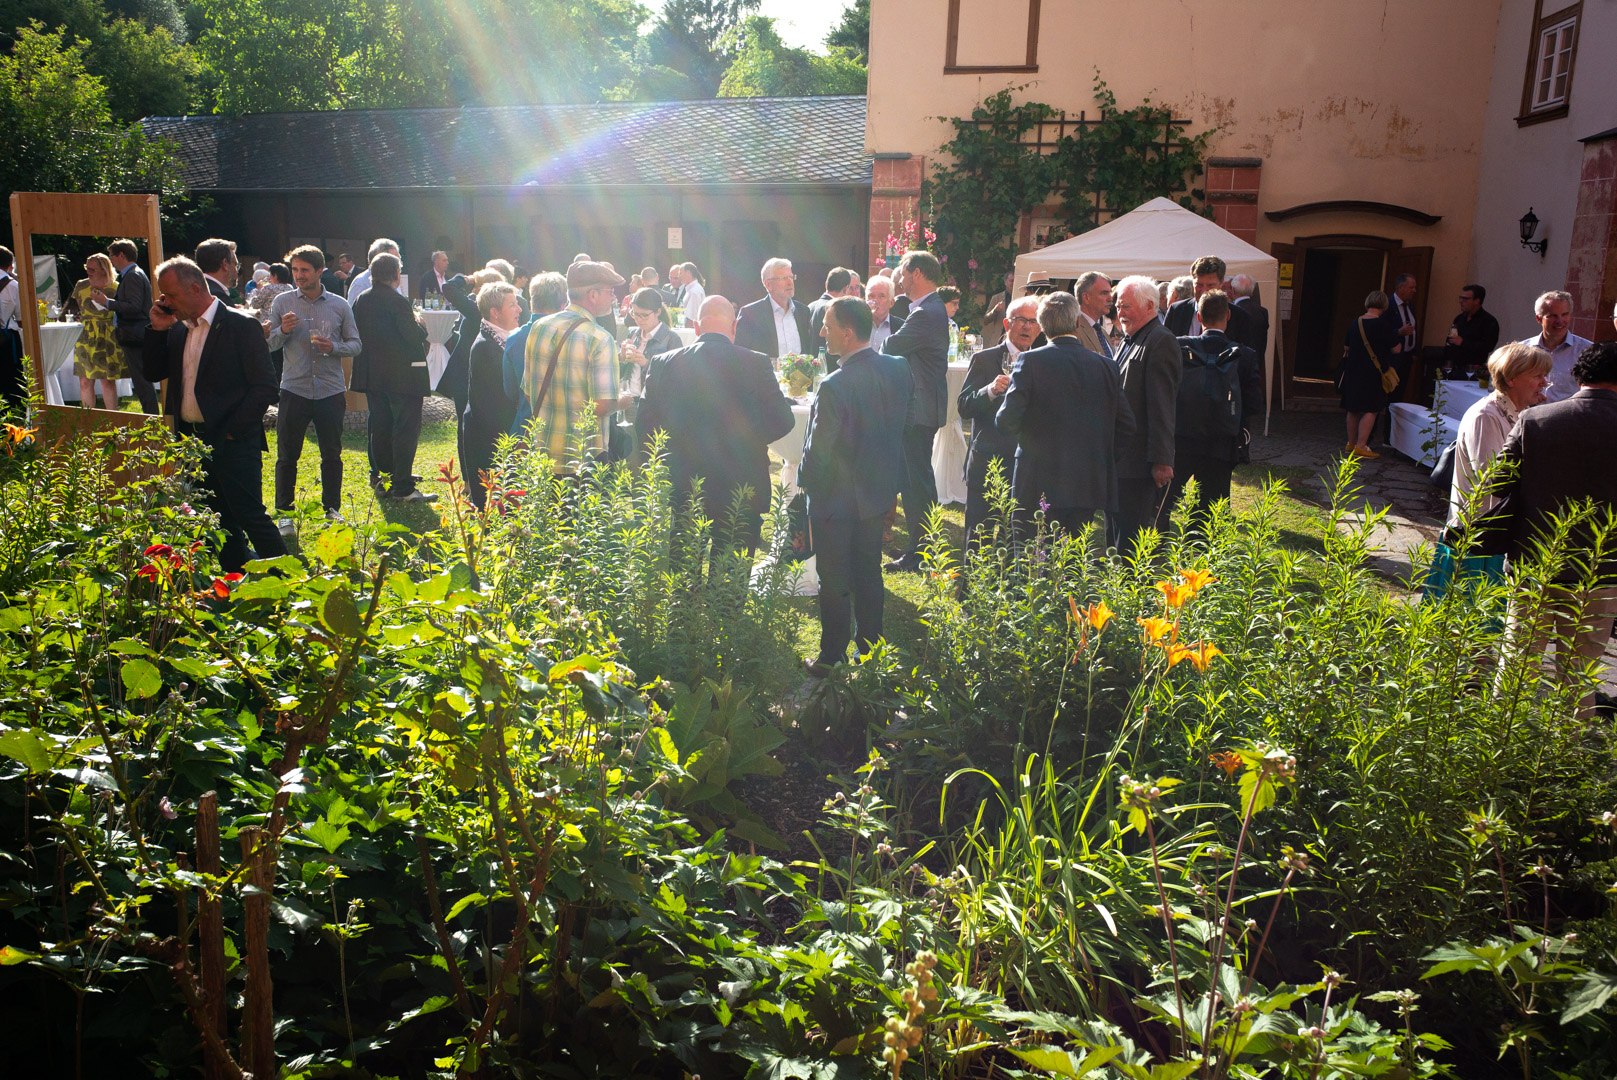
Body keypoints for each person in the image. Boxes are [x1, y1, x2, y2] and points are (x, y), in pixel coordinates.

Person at [1490, 340, 1617, 715]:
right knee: (1579, 672)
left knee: (1517, 661)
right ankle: (1567, 753)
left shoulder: (1535, 420)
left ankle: (1498, 745)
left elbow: (1498, 483)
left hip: (1535, 560)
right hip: (1600, 568)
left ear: (1578, 376)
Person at [141, 256, 286, 573]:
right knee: (213, 517)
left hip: (233, 439)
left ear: (195, 288)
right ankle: (235, 576)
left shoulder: (240, 325)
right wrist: (156, 329)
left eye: (171, 295)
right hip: (192, 440)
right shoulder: (178, 329)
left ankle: (288, 581)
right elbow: (152, 372)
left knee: (249, 514)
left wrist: (233, 430)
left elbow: (265, 386)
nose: (165, 302)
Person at [800, 297, 912, 677]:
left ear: (847, 334)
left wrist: (807, 493)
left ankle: (832, 656)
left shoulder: (835, 384)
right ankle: (871, 649)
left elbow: (819, 452)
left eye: (827, 326)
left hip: (837, 499)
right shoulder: (899, 368)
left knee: (834, 580)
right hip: (877, 490)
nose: (821, 332)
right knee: (869, 572)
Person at [637, 295, 793, 558]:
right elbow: (783, 420)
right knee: (731, 576)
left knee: (685, 572)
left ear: (697, 328)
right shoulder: (755, 362)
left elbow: (645, 423)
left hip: (685, 478)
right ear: (733, 328)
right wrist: (748, 440)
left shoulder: (664, 363)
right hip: (740, 478)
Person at [995, 291, 1133, 543]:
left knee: (1030, 559)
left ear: (1042, 325)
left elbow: (1006, 420)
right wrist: (1099, 457)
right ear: (1078, 323)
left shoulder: (1030, 362)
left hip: (1037, 478)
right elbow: (1126, 426)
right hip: (1086, 480)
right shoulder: (1105, 366)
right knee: (1071, 564)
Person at [266, 245, 362, 521]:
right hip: (294, 388)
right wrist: (282, 330)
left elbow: (355, 344)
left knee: (332, 454)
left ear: (320, 271)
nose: (298, 275)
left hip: (329, 390)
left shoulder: (339, 305)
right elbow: (270, 344)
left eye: (304, 270)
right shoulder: (282, 303)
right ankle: (284, 512)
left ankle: (331, 509)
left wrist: (332, 347)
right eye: (295, 270)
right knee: (287, 455)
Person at [879, 250, 950, 571]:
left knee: (915, 483)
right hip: (923, 406)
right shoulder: (931, 309)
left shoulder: (925, 313)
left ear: (917, 273)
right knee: (917, 480)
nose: (899, 279)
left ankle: (920, 552)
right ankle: (925, 548)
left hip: (918, 410)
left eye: (903, 273)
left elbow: (890, 346)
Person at [1168, 290, 1264, 518]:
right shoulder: (1245, 355)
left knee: (1165, 500)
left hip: (1181, 436)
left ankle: (1156, 545)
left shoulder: (1178, 347)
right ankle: (1203, 550)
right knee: (1212, 507)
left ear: (1198, 317)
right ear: (1228, 315)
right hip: (1222, 441)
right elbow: (1254, 404)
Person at [522, 261, 623, 472]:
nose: (613, 298)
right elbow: (603, 405)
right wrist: (626, 401)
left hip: (542, 452)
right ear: (593, 295)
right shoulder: (600, 338)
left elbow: (529, 393)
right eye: (610, 292)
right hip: (582, 457)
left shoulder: (539, 327)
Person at [957, 294, 1040, 547]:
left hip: (1023, 462)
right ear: (1007, 324)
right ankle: (971, 587)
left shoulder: (1040, 362)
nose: (1027, 326)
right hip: (988, 459)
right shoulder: (984, 359)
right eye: (1021, 320)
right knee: (979, 534)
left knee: (1014, 536)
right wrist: (990, 391)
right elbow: (964, 406)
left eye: (1033, 321)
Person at [351, 253, 433, 503]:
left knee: (381, 427)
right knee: (406, 429)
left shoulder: (361, 300)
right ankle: (403, 487)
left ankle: (388, 478)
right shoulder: (397, 301)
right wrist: (419, 322)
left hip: (373, 374)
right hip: (402, 376)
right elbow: (412, 335)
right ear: (396, 274)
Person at [1111, 275, 1181, 550]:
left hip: (1139, 464)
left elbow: (1163, 405)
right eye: (1117, 305)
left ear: (1150, 306)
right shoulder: (1133, 338)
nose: (1119, 312)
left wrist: (1162, 460)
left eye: (1126, 306)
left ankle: (1126, 590)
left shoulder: (1160, 341)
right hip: (1121, 459)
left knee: (1130, 540)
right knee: (1116, 536)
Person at [1447, 342, 1550, 529]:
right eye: (1537, 376)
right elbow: (1492, 478)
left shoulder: (1522, 412)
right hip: (1479, 533)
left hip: (1501, 528)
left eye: (1544, 375)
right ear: (1511, 379)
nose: (1544, 382)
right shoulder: (1486, 416)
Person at [460, 281, 524, 510]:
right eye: (512, 305)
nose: (519, 310)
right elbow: (492, 405)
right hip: (489, 440)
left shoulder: (502, 339)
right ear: (495, 313)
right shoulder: (486, 347)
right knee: (492, 508)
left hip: (496, 435)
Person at [1338, 290, 1401, 459]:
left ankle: (1350, 443)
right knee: (1371, 409)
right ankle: (1361, 445)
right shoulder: (1383, 325)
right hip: (1373, 373)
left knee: (1352, 409)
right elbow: (1396, 348)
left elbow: (1347, 347)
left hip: (1353, 370)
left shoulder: (1355, 322)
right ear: (1384, 305)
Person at [504, 271, 568, 433]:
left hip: (526, 425)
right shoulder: (572, 337)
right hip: (563, 429)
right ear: (563, 305)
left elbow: (510, 390)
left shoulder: (514, 338)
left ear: (532, 300)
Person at [107, 239, 159, 413]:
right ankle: (151, 418)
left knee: (142, 381)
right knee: (141, 380)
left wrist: (107, 303)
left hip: (135, 333)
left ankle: (152, 421)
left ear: (122, 255)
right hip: (133, 333)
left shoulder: (133, 275)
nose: (111, 260)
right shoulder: (132, 274)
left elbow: (134, 306)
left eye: (112, 256)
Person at [64, 254, 122, 411]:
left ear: (104, 269)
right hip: (86, 336)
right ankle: (87, 421)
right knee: (85, 380)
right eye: (86, 267)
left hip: (108, 335)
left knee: (107, 381)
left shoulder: (116, 286)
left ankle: (114, 419)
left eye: (92, 268)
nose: (88, 271)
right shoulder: (81, 285)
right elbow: (77, 308)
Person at [1165, 256, 1255, 347]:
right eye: (1199, 285)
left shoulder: (1240, 317)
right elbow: (1165, 349)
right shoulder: (1176, 311)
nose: (1204, 290)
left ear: (1221, 283)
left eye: (1210, 285)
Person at [1521, 290, 1592, 404]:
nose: (1560, 321)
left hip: (1569, 418)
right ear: (1539, 319)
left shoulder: (1587, 351)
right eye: (1552, 316)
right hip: (1529, 417)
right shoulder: (1522, 351)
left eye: (1564, 314)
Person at [735, 258, 813, 360]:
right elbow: (741, 354)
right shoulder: (750, 313)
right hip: (764, 375)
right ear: (768, 284)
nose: (790, 282)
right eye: (784, 278)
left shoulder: (803, 312)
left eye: (791, 277)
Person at [1441, 283, 1499, 380]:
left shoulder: (1489, 322)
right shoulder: (1459, 319)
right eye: (1460, 298)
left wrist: (1463, 342)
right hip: (1452, 369)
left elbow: (1488, 347)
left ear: (1477, 301)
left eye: (1465, 299)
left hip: (1473, 372)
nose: (1461, 301)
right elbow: (1450, 342)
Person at [809, 266, 859, 369]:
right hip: (830, 369)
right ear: (845, 289)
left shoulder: (810, 306)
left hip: (811, 368)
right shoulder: (835, 309)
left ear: (826, 284)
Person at [1378, 272, 1420, 391]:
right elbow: (1381, 332)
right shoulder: (1387, 305)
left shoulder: (1410, 306)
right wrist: (1398, 332)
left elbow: (1414, 329)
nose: (1414, 290)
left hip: (1407, 358)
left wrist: (1413, 352)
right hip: (1392, 358)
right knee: (1390, 391)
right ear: (1400, 287)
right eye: (1411, 287)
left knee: (1401, 391)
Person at [1226, 274, 1270, 358]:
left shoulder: (1231, 311)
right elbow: (1262, 343)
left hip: (1235, 364)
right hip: (1256, 362)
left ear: (1233, 290)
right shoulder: (1263, 311)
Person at [1073, 271, 1114, 359]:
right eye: (1104, 293)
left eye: (1110, 292)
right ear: (1086, 297)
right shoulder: (1073, 329)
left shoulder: (1102, 331)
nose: (1110, 298)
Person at [347, 238, 399, 303]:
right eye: (393, 259)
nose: (398, 263)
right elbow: (353, 311)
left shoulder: (394, 280)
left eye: (398, 259)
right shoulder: (360, 283)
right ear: (379, 260)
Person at [195, 239, 241, 304]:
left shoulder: (195, 289)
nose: (237, 271)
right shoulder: (217, 296)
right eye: (236, 265)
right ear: (225, 264)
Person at [865, 276, 903, 353]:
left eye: (881, 296)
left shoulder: (901, 327)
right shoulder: (856, 325)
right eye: (871, 296)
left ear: (891, 303)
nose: (875, 300)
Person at [677, 262, 706, 329]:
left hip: (691, 333)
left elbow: (691, 319)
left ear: (688, 273)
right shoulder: (691, 290)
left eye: (680, 273)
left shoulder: (694, 291)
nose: (679, 276)